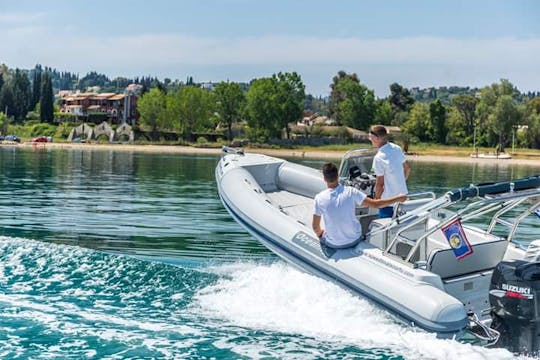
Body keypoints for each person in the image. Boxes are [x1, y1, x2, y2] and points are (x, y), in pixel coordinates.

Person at [312, 163, 407, 249]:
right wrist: (398, 198)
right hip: (354, 240)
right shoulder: (351, 191)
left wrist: (320, 234)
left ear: (324, 178)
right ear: (337, 176)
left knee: (322, 235)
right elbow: (375, 204)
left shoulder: (319, 198)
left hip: (333, 243)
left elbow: (315, 227)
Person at [369, 125, 410, 218]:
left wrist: (376, 200)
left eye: (370, 137)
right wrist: (400, 182)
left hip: (387, 202)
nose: (370, 139)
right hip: (402, 198)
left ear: (376, 138)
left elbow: (380, 183)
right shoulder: (397, 148)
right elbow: (407, 168)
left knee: (385, 228)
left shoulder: (379, 158)